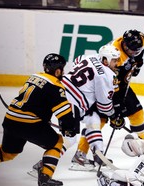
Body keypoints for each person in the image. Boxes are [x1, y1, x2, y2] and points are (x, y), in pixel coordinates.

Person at [0, 53, 80, 186]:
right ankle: (45, 179)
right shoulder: (55, 86)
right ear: (58, 70)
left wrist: (44, 116)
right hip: (29, 124)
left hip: (10, 120)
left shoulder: (34, 77)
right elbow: (64, 114)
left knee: (7, 151)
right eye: (62, 69)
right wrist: (69, 128)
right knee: (56, 142)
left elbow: (34, 101)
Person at [28, 44, 122, 175]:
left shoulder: (90, 57)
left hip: (60, 90)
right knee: (70, 138)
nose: (117, 63)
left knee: (93, 119)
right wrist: (114, 115)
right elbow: (104, 105)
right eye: (115, 60)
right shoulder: (107, 76)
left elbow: (77, 60)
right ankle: (43, 165)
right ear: (105, 60)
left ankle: (95, 156)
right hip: (74, 101)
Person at [69, 29, 144, 171]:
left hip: (121, 86)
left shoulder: (137, 45)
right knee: (100, 120)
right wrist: (115, 112)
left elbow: (138, 56)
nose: (133, 53)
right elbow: (110, 87)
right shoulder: (117, 60)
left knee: (137, 113)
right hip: (109, 87)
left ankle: (141, 147)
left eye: (136, 51)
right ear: (124, 45)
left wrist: (137, 65)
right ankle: (80, 155)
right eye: (130, 50)